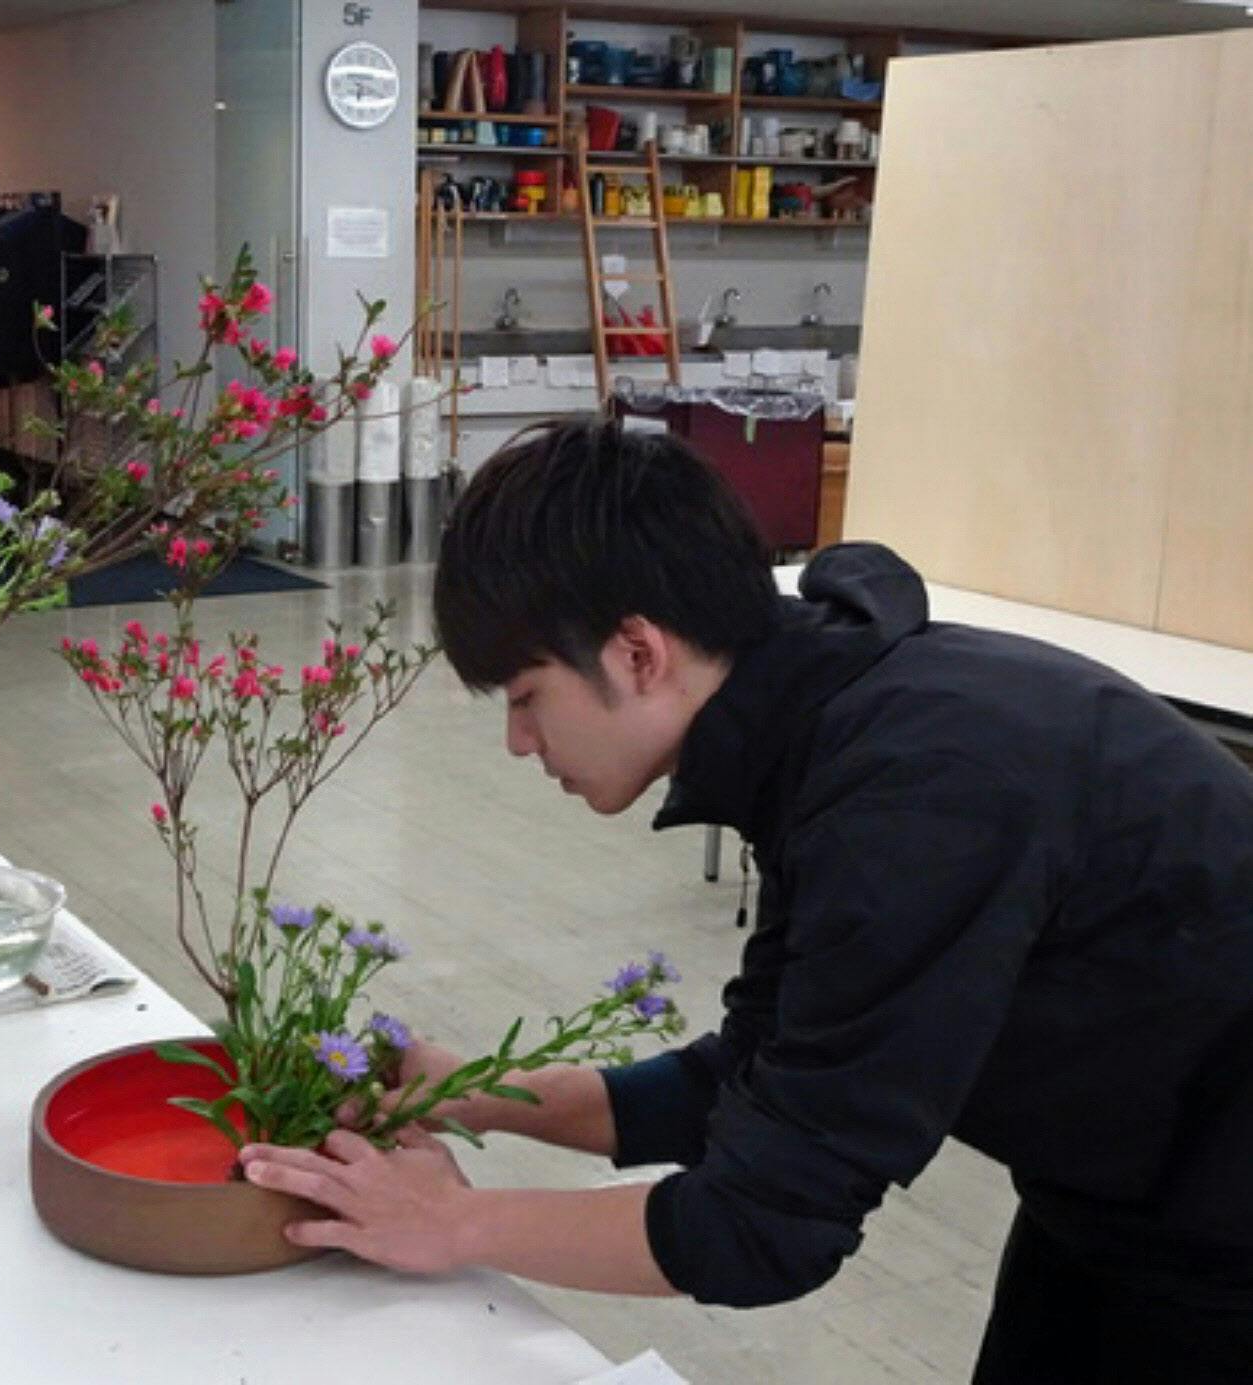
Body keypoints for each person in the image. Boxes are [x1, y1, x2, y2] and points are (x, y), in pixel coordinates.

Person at [240, 416, 1253, 1383]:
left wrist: (455, 1224)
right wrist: (473, 1089)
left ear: (637, 652)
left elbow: (767, 1226)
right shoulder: (824, 726)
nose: (519, 742)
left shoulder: (913, 793)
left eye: (524, 697)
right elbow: (753, 1080)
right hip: (1121, 1189)